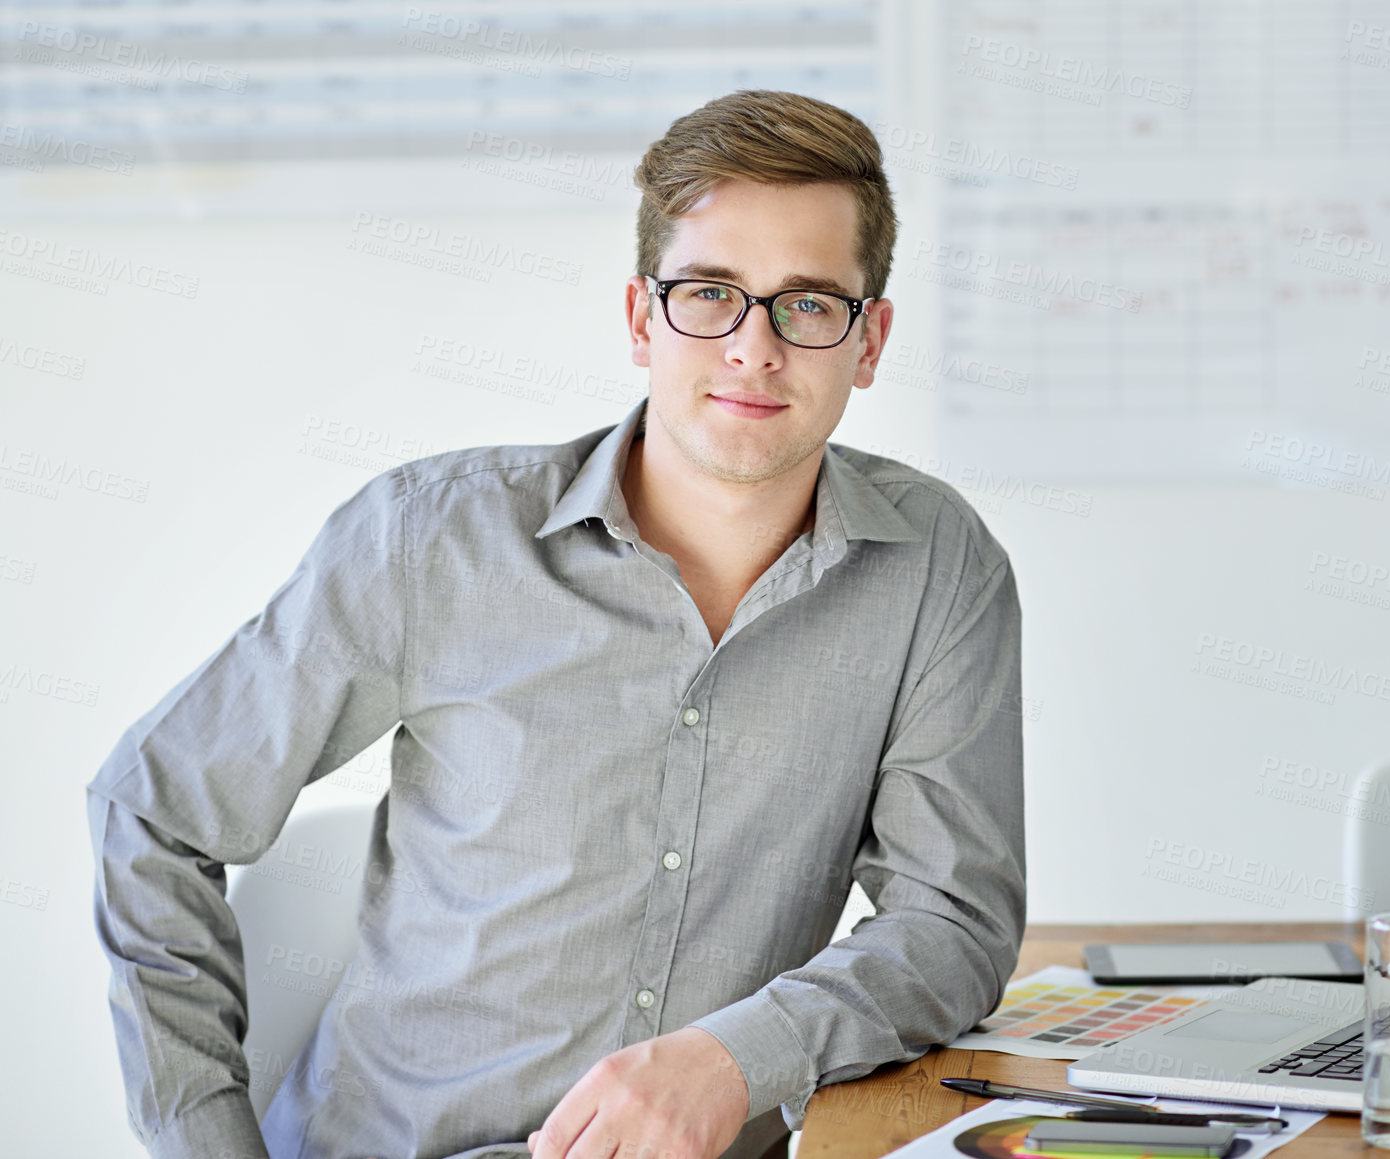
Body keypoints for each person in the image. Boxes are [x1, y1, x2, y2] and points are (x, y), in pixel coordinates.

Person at [87, 89, 1026, 1159]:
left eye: (809, 304)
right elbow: (154, 812)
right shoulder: (426, 540)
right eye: (710, 294)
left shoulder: (937, 568)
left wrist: (734, 1057)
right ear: (641, 319)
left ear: (870, 339)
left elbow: (952, 922)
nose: (755, 349)